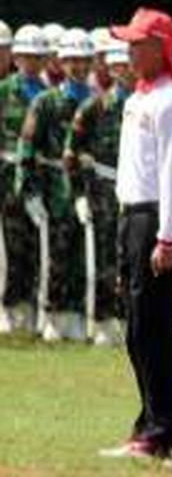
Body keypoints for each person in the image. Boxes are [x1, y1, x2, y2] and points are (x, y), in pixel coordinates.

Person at [100, 7, 172, 459]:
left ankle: (159, 432)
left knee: (153, 325)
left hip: (155, 216)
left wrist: (168, 236)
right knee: (136, 326)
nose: (130, 50)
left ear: (160, 48)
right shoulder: (137, 96)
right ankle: (147, 422)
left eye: (138, 43)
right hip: (130, 213)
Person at [16, 27, 96, 341]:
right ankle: (50, 316)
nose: (78, 66)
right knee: (52, 256)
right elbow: (27, 149)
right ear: (61, 63)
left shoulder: (95, 102)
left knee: (80, 254)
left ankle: (75, 316)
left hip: (85, 191)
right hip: (51, 189)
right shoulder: (45, 101)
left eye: (83, 60)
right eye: (71, 60)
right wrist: (30, 192)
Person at [64, 38, 134, 345]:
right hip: (103, 192)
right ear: (111, 68)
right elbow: (71, 153)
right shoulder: (94, 105)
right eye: (119, 65)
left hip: (139, 194)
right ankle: (104, 321)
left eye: (129, 64)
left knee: (135, 259)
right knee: (106, 258)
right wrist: (78, 194)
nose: (125, 71)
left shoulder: (147, 105)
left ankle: (130, 319)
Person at [0, 24, 48, 333]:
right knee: (10, 246)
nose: (32, 62)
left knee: (33, 247)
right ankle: (8, 308)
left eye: (38, 56)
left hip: (38, 177)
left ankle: (29, 309)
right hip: (6, 176)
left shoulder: (46, 93)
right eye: (27, 56)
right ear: (17, 58)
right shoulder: (5, 91)